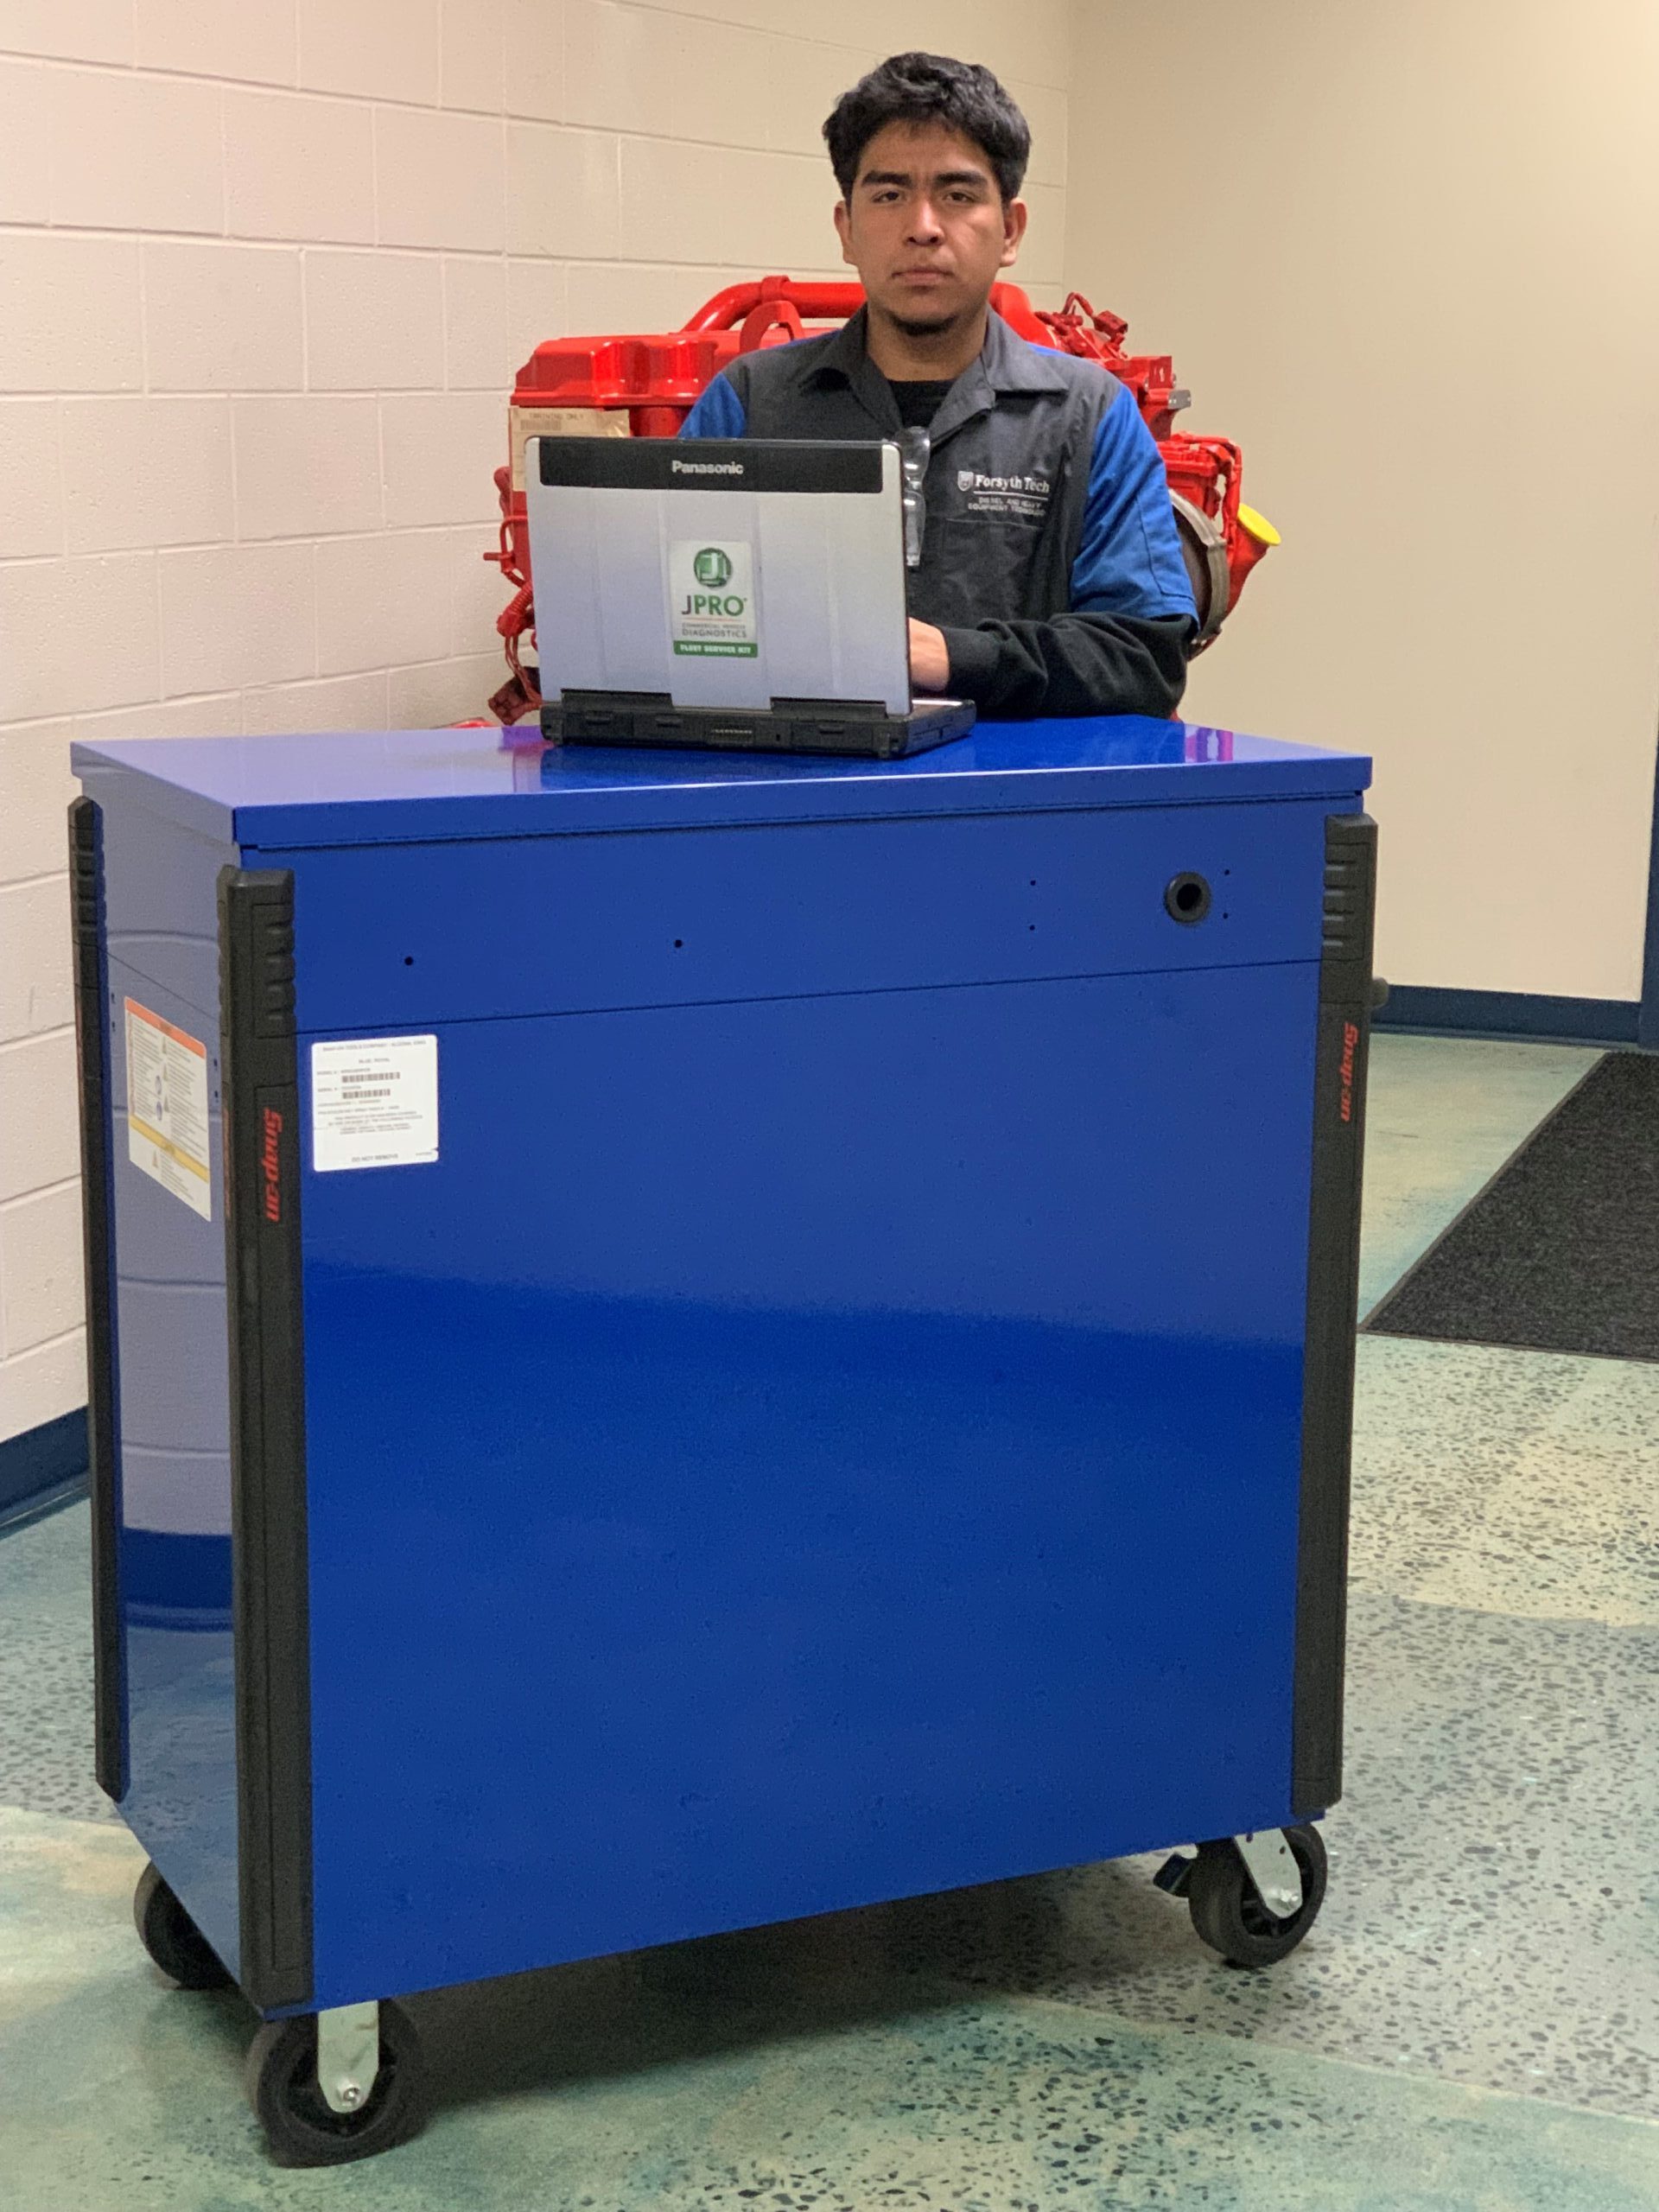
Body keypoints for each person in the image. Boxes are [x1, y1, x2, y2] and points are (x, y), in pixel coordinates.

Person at [678, 51, 1198, 721]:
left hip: (1014, 811)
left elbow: (1143, 657)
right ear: (847, 229)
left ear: (1009, 230)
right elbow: (676, 626)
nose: (922, 227)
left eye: (957, 195)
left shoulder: (1089, 415)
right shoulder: (750, 401)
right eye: (889, 195)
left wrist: (953, 658)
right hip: (797, 802)